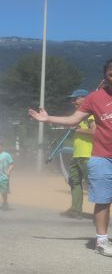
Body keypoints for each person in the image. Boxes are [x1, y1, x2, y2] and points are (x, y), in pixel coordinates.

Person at [30, 60, 112, 257]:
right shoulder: (94, 98)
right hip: (102, 157)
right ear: (106, 74)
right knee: (103, 200)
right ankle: (101, 241)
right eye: (111, 70)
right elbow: (73, 120)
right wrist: (48, 119)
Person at [62, 89, 93, 219]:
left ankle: (102, 212)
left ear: (84, 98)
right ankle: (75, 209)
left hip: (88, 155)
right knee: (74, 182)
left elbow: (95, 132)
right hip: (77, 154)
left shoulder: (91, 114)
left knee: (93, 184)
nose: (73, 101)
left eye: (75, 98)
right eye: (72, 99)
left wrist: (78, 129)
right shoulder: (79, 116)